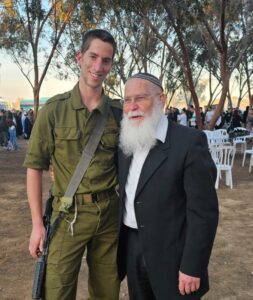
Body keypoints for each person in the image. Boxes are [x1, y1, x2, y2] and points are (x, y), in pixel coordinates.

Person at [23, 29, 121, 300]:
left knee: (107, 291)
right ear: (79, 57)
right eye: (93, 57)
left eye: (106, 60)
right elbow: (34, 167)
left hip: (109, 215)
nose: (98, 67)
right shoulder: (54, 110)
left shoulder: (117, 113)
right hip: (68, 215)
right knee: (57, 290)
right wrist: (36, 224)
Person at [117, 73, 219, 300]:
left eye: (140, 98)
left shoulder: (189, 142)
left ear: (161, 99)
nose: (132, 106)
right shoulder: (126, 141)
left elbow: (203, 212)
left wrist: (193, 267)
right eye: (127, 99)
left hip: (173, 254)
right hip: (133, 247)